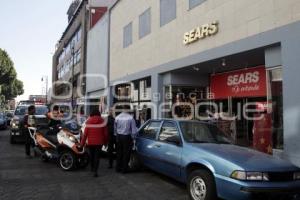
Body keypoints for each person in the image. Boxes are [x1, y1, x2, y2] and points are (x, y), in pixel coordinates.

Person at [80, 109, 108, 177]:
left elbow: (85, 134)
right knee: (97, 157)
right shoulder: (102, 121)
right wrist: (105, 142)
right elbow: (106, 134)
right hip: (99, 142)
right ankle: (95, 171)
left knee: (92, 155)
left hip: (91, 142)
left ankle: (92, 168)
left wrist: (82, 144)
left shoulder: (88, 121)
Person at [114, 105, 138, 173]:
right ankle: (124, 169)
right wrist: (133, 138)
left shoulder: (117, 117)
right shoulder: (130, 118)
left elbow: (115, 129)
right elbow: (133, 130)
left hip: (119, 136)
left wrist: (116, 136)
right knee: (126, 153)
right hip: (126, 137)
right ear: (128, 110)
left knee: (119, 153)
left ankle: (118, 168)